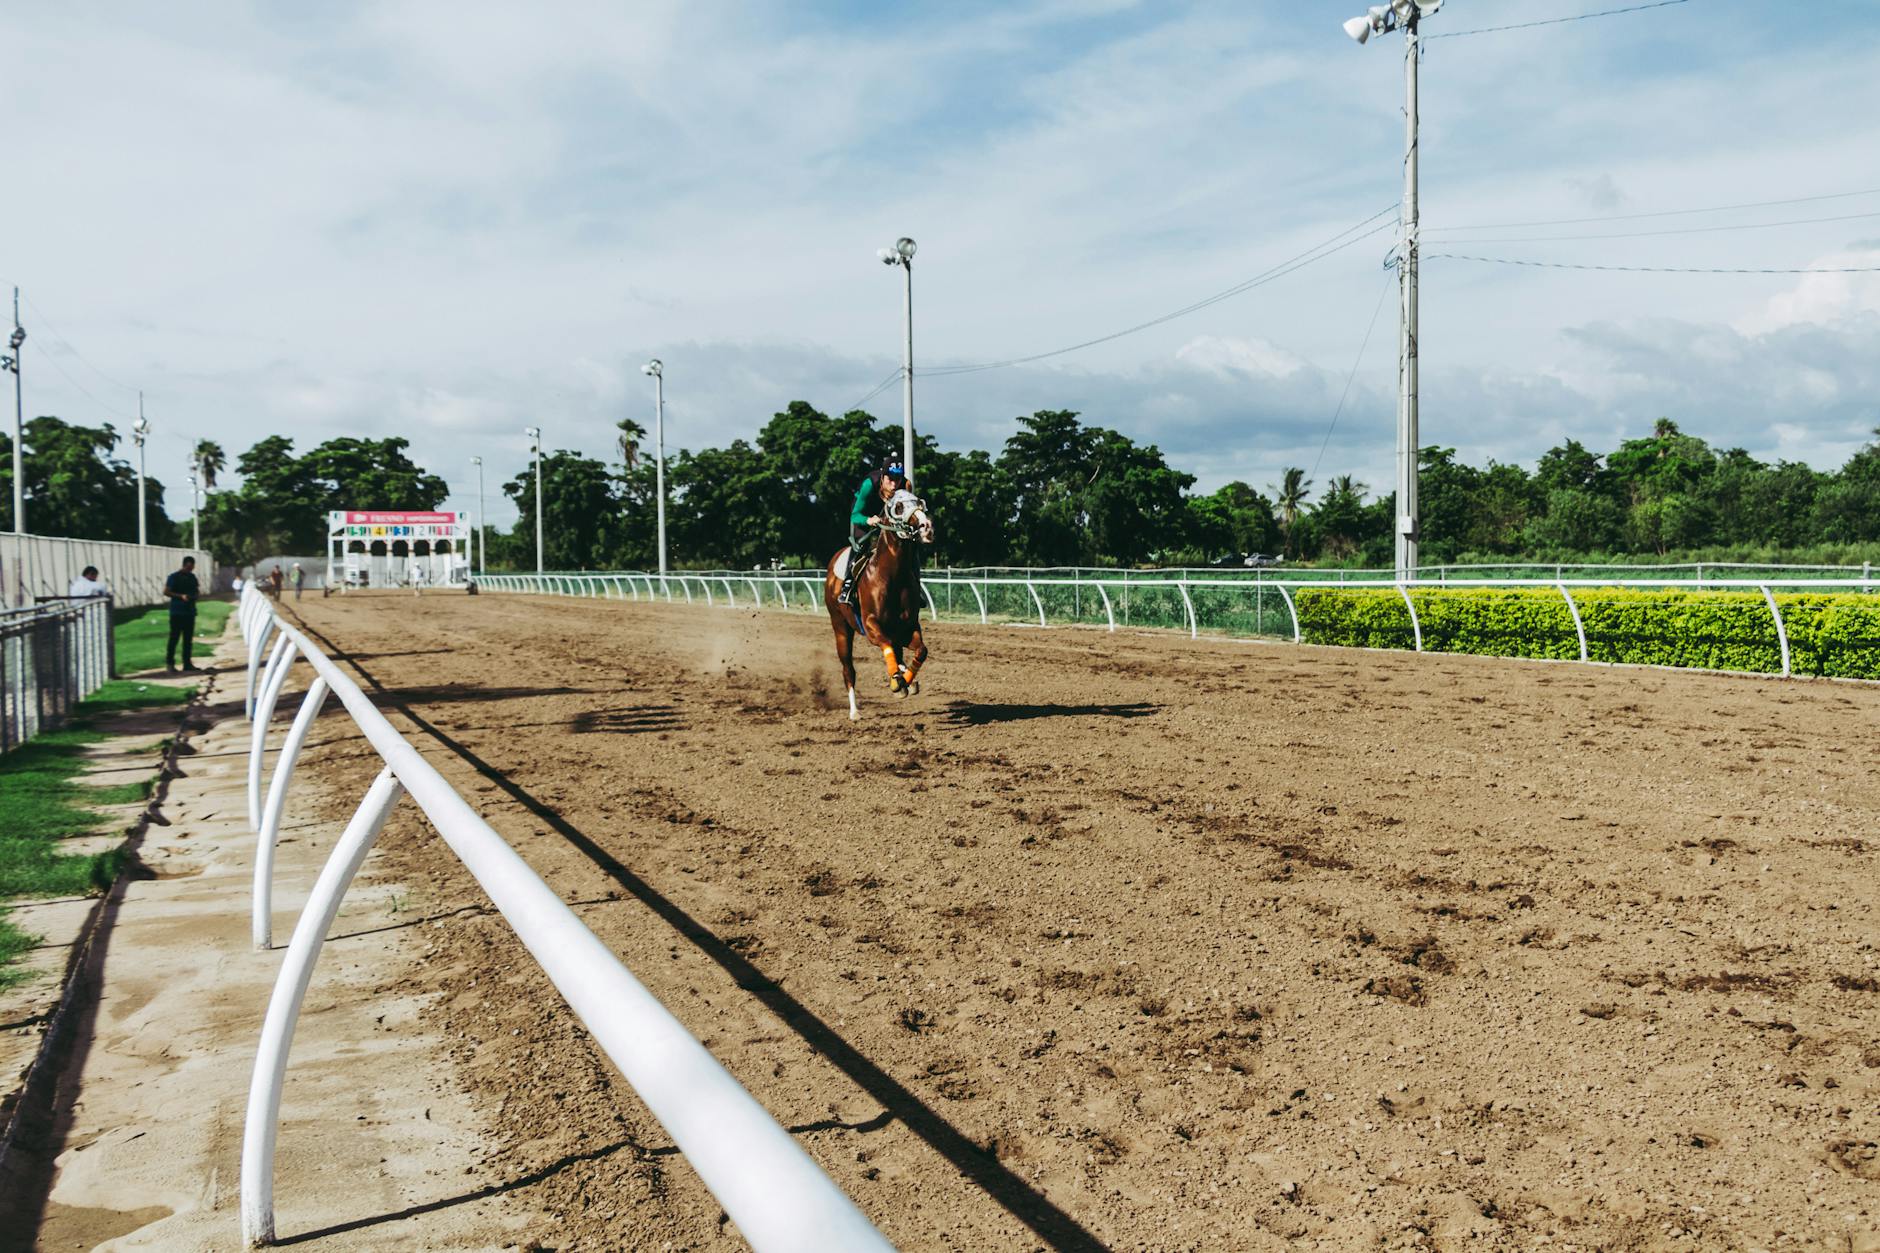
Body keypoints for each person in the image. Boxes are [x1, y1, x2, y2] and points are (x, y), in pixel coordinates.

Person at [838, 457, 909, 606]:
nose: (894, 484)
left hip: (887, 517)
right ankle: (847, 586)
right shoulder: (869, 484)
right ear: (883, 476)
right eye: (890, 479)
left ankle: (914, 587)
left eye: (898, 479)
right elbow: (855, 515)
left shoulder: (905, 485)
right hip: (863, 515)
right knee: (862, 544)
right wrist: (868, 520)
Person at [164, 556, 201, 673]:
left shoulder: (192, 577)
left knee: (188, 639)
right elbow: (166, 591)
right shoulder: (174, 577)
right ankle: (170, 663)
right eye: (188, 566)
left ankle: (187, 663)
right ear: (185, 564)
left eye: (192, 567)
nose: (190, 569)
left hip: (189, 611)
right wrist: (180, 596)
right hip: (177, 611)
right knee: (174, 638)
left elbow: (196, 590)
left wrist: (194, 596)